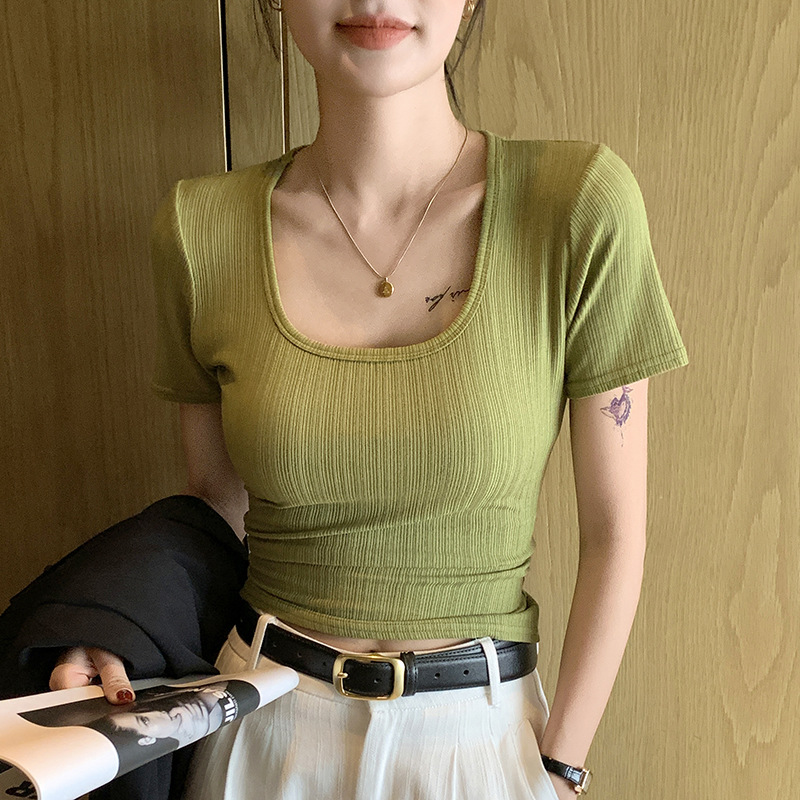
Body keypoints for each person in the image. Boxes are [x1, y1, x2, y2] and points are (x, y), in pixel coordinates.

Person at [49, 0, 688, 797]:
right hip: (261, 734)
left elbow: (616, 531)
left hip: (482, 748)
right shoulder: (199, 228)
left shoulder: (575, 206)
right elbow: (215, 508)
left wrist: (560, 767)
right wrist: (115, 627)